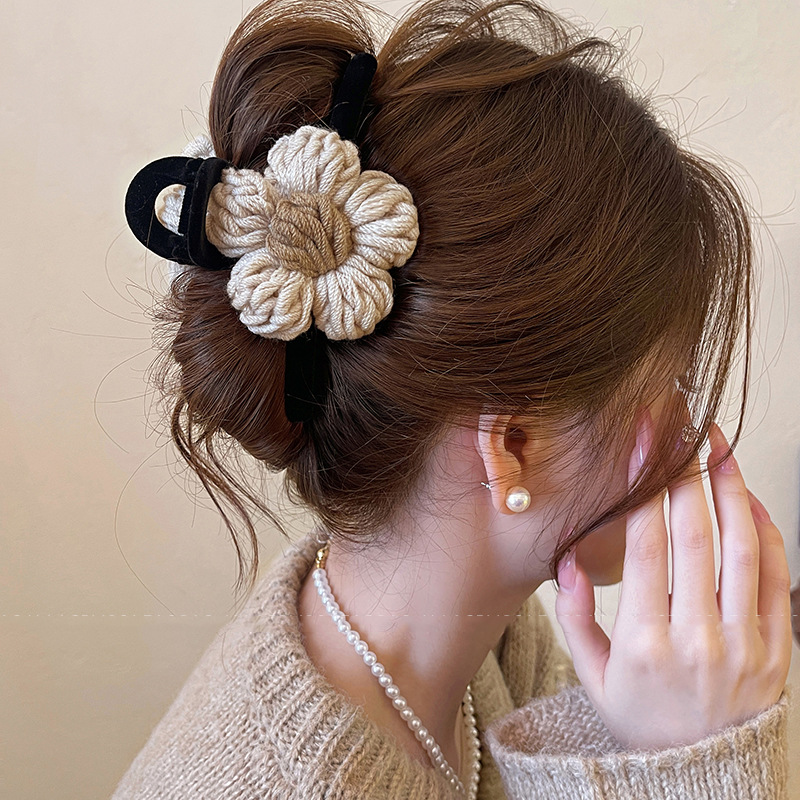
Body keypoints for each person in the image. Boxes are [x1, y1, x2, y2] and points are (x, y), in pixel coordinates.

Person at [112, 0, 794, 797]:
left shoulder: (485, 638)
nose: (694, 430)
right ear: (513, 448)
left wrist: (665, 730)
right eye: (672, 386)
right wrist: (703, 765)